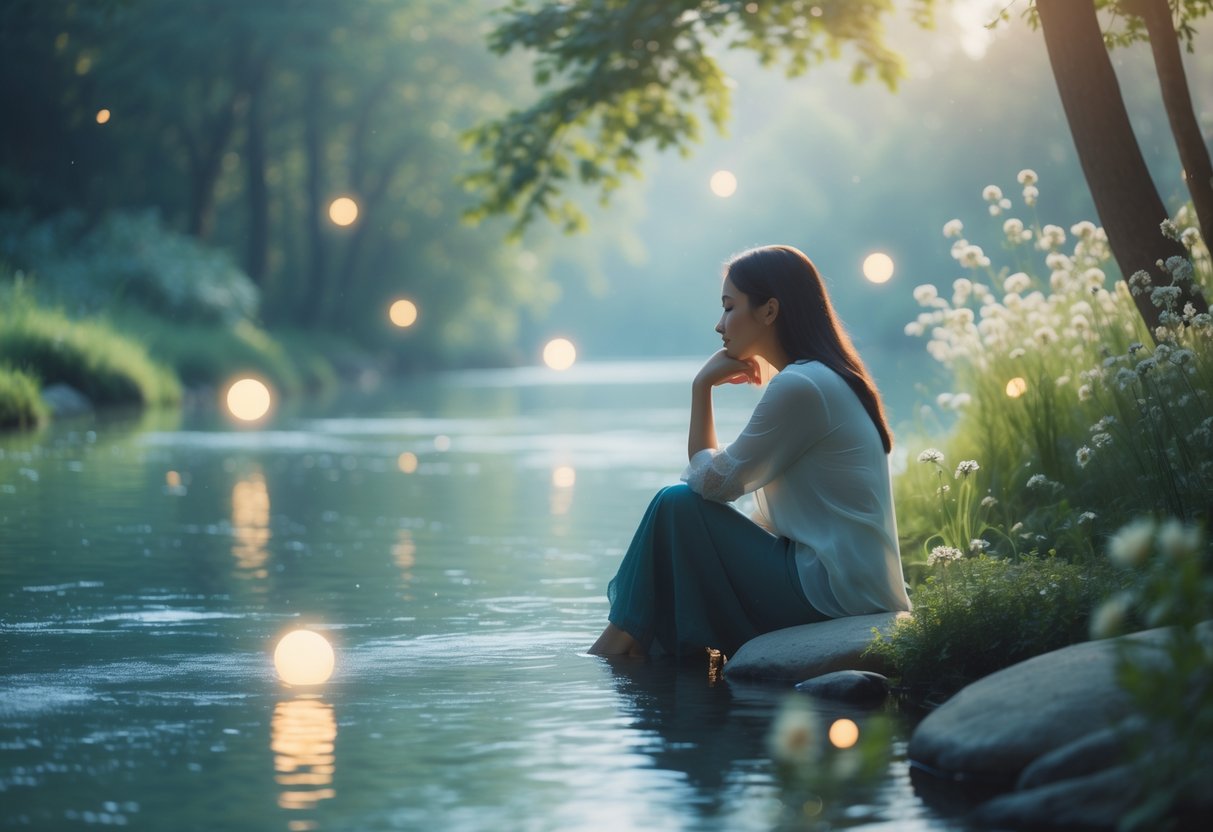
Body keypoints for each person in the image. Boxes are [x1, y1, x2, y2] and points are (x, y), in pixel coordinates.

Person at [588, 244, 911, 660]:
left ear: (769, 311)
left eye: (728, 307)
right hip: (840, 585)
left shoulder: (803, 385)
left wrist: (700, 388)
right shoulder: (819, 377)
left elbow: (711, 484)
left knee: (676, 505)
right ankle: (628, 644)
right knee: (679, 513)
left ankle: (616, 646)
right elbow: (734, 494)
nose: (719, 325)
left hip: (835, 595)